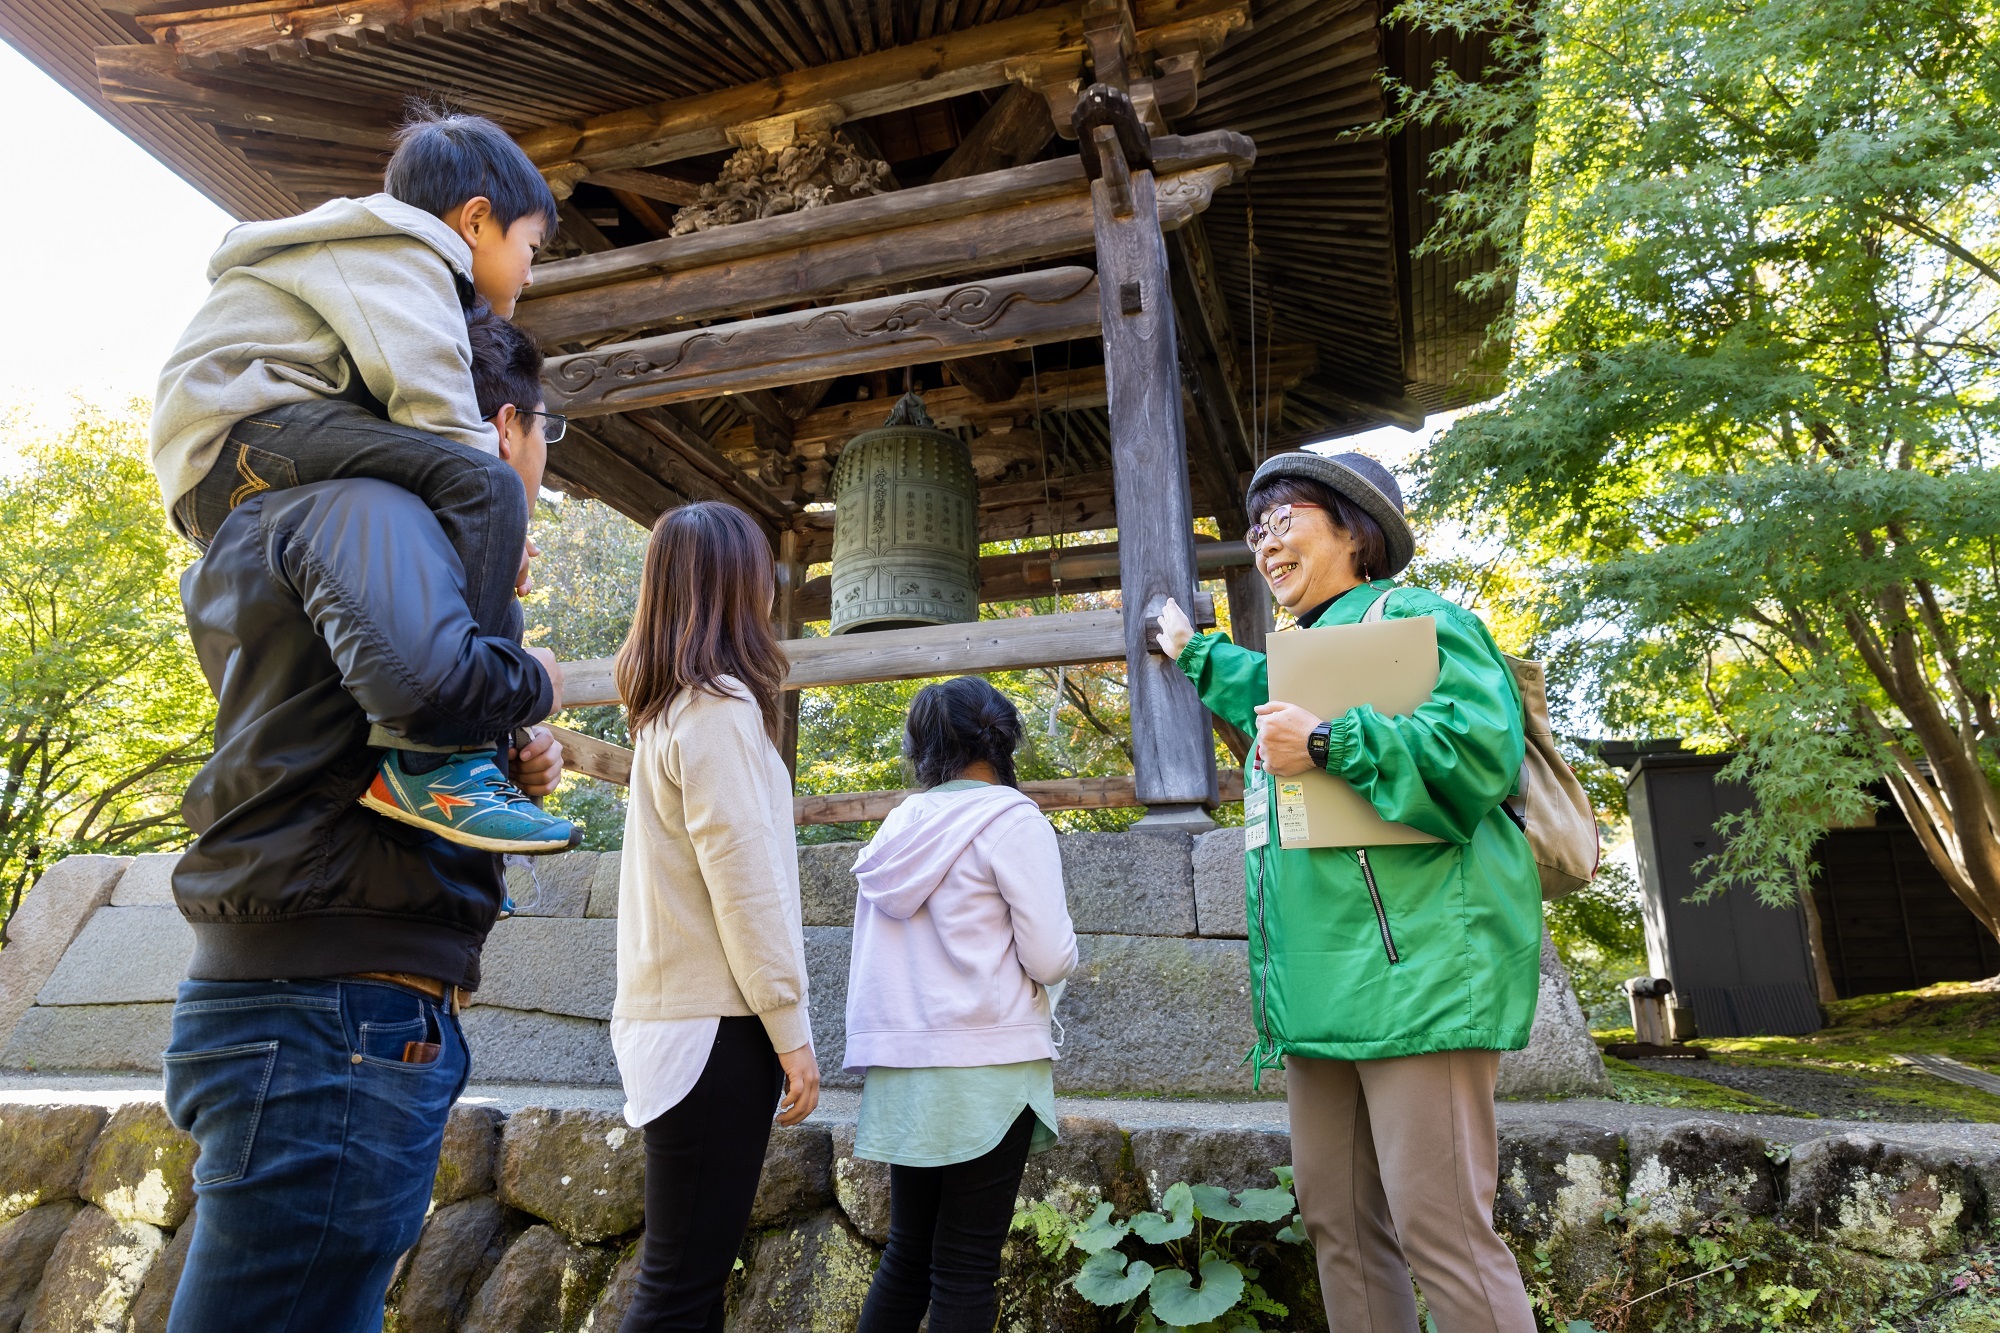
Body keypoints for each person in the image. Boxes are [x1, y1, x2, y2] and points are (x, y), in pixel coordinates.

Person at [164, 469, 567, 1325]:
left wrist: (508, 750)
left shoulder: (275, 525)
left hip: (315, 999)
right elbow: (417, 695)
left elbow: (335, 739)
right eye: (545, 428)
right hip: (334, 1011)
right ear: (503, 423)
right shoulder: (368, 512)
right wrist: (532, 677)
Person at [1157, 451, 1541, 1333]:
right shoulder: (1308, 656)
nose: (1264, 544)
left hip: (1419, 977)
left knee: (1440, 1227)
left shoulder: (1418, 616)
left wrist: (1328, 744)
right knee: (1337, 1225)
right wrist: (1190, 650)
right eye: (1255, 531)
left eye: (1283, 518)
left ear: (1353, 527)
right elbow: (1262, 688)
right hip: (1322, 985)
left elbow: (1477, 753)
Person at [148, 105, 575, 854]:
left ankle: (464, 748)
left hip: (236, 456)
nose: (532, 271)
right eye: (531, 245)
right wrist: (501, 521)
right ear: (475, 221)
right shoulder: (404, 252)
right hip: (242, 432)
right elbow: (436, 411)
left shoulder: (370, 252)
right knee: (484, 485)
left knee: (469, 494)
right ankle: (438, 760)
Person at [610, 501, 820, 1332]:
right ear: (737, 588)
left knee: (681, 1282)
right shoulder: (720, 712)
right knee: (680, 1291)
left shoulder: (665, 714)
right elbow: (747, 885)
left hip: (674, 1021)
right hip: (719, 1029)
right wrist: (791, 1029)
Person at [846, 675, 1078, 1333]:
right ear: (1004, 738)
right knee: (967, 1267)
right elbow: (1050, 956)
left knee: (908, 1257)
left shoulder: (897, 827)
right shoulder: (1012, 818)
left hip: (904, 1066)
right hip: (987, 1064)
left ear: (923, 748)